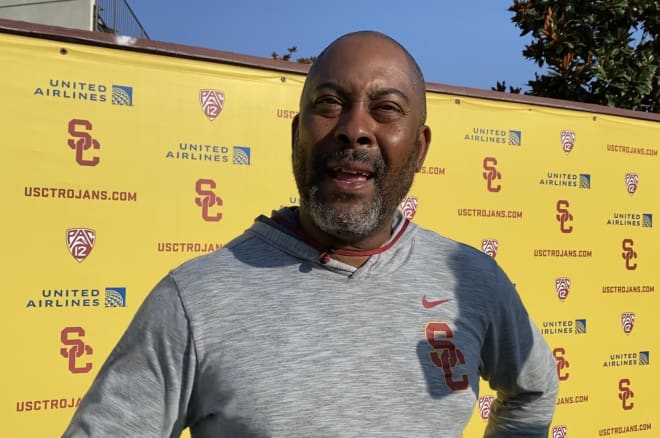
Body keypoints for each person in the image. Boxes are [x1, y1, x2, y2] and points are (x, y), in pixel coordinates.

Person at [63, 30, 558, 437]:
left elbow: (534, 390)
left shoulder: (474, 282)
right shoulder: (193, 300)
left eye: (385, 109)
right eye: (330, 103)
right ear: (296, 133)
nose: (355, 129)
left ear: (421, 147)